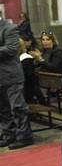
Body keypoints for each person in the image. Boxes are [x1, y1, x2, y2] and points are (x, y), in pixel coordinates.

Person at [0, 16, 33, 150]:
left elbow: (11, 49)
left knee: (17, 107)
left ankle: (23, 136)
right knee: (2, 109)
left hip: (11, 75)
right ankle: (8, 134)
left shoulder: (9, 28)